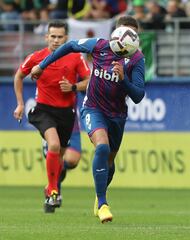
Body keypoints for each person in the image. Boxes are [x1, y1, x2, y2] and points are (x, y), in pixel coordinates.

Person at [30, 15, 145, 223]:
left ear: (136, 37)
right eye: (122, 32)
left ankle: (100, 195)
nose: (124, 38)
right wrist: (43, 65)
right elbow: (72, 45)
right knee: (102, 147)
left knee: (110, 159)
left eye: (131, 33)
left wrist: (124, 80)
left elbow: (138, 96)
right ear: (115, 33)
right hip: (93, 108)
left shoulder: (137, 59)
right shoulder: (100, 46)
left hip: (117, 115)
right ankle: (102, 203)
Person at [13, 21, 91, 213]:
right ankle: (53, 190)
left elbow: (89, 81)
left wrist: (73, 87)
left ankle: (52, 186)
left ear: (66, 38)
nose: (56, 40)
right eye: (53, 36)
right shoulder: (37, 57)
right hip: (43, 110)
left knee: (66, 159)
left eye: (60, 37)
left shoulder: (75, 58)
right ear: (46, 37)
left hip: (66, 114)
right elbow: (18, 76)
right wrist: (21, 103)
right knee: (54, 145)